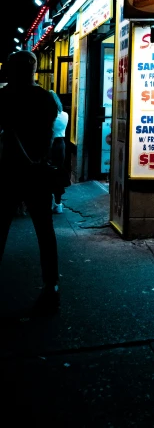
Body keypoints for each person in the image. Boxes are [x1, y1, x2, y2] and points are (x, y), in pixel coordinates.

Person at [0, 50, 60, 316]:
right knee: (45, 230)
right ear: (33, 68)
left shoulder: (3, 97)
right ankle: (51, 284)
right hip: (36, 171)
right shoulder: (44, 97)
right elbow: (48, 134)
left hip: (9, 170)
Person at [49, 91, 69, 214]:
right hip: (61, 145)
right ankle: (58, 203)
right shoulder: (64, 115)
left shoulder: (46, 116)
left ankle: (49, 201)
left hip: (49, 144)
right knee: (58, 172)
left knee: (47, 172)